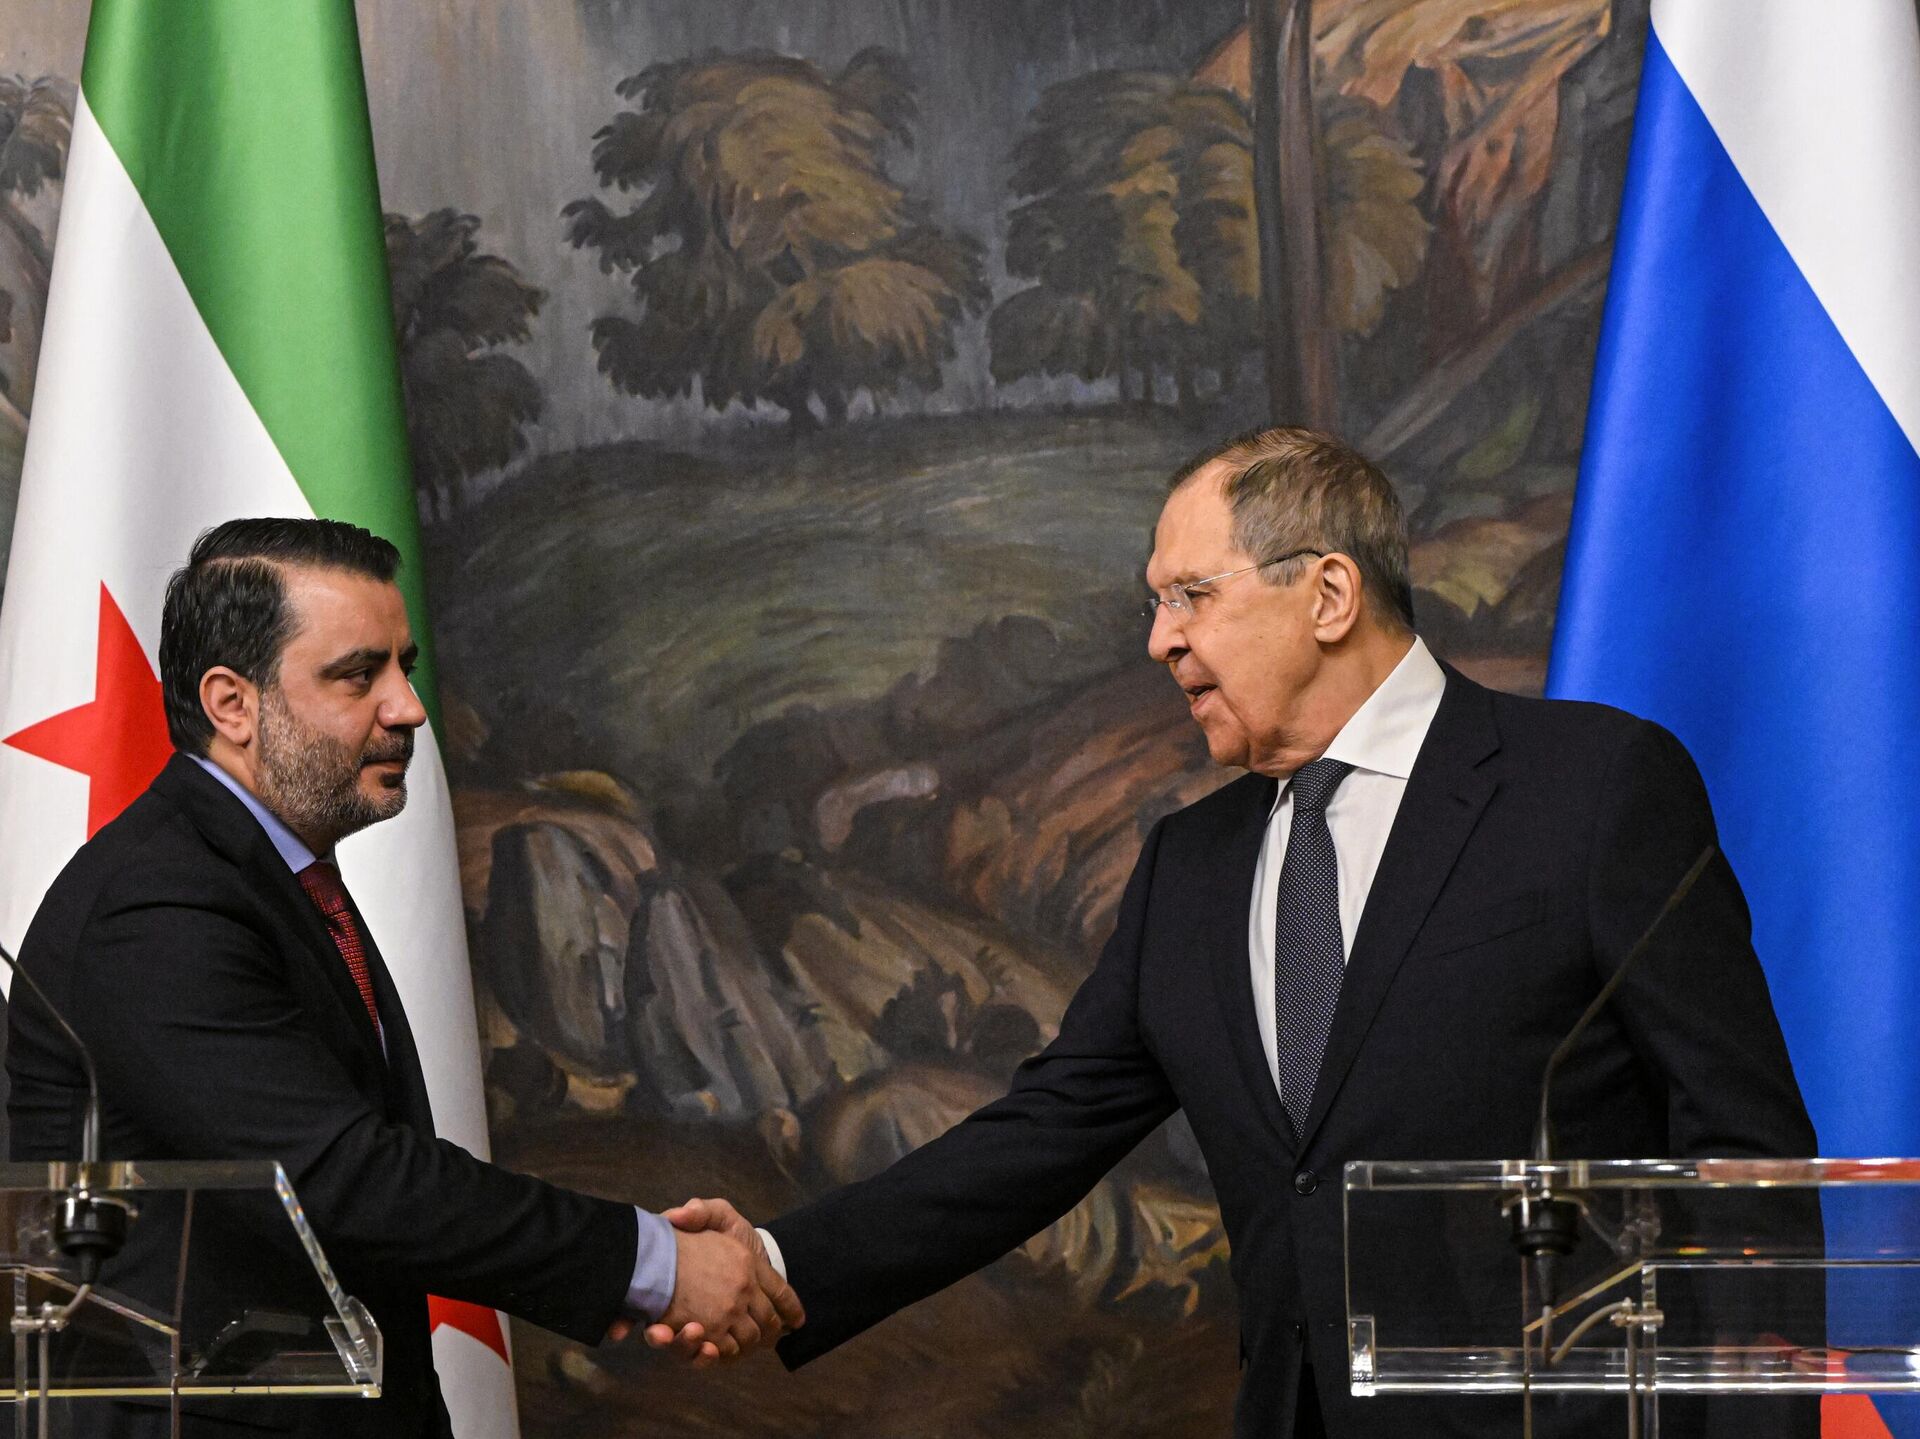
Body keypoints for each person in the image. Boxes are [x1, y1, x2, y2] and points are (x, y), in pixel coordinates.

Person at [660, 427, 1818, 1437]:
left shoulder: (1592, 788)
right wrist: (778, 1262)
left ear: (1328, 594)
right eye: (1154, 604)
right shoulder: (1191, 867)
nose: (1159, 640)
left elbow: (1744, 1153)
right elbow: (1037, 1136)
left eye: (1190, 595)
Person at [6, 518, 800, 1438]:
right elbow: (345, 1181)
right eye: (359, 675)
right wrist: (654, 1263)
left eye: (405, 666)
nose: (410, 707)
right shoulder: (154, 906)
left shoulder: (274, 874)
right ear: (231, 704)